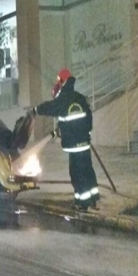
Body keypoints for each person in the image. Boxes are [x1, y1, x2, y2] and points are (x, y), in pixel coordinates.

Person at [31, 68, 100, 212]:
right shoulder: (79, 97)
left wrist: (36, 110)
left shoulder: (63, 99)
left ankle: (82, 203)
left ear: (62, 82)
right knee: (87, 170)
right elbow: (88, 119)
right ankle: (94, 199)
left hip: (74, 145)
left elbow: (50, 107)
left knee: (76, 173)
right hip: (84, 142)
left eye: (58, 81)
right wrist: (82, 131)